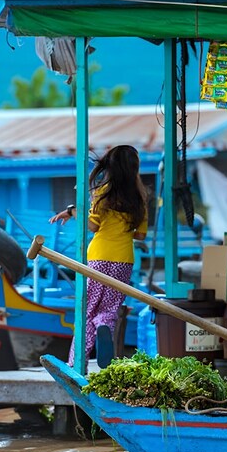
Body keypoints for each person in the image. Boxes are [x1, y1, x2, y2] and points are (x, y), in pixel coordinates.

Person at [49, 145, 148, 366]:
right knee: (108, 311)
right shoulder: (139, 199)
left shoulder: (103, 193)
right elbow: (140, 234)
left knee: (87, 310)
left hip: (99, 258)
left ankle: (76, 363)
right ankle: (104, 328)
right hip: (123, 261)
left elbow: (93, 226)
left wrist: (75, 212)